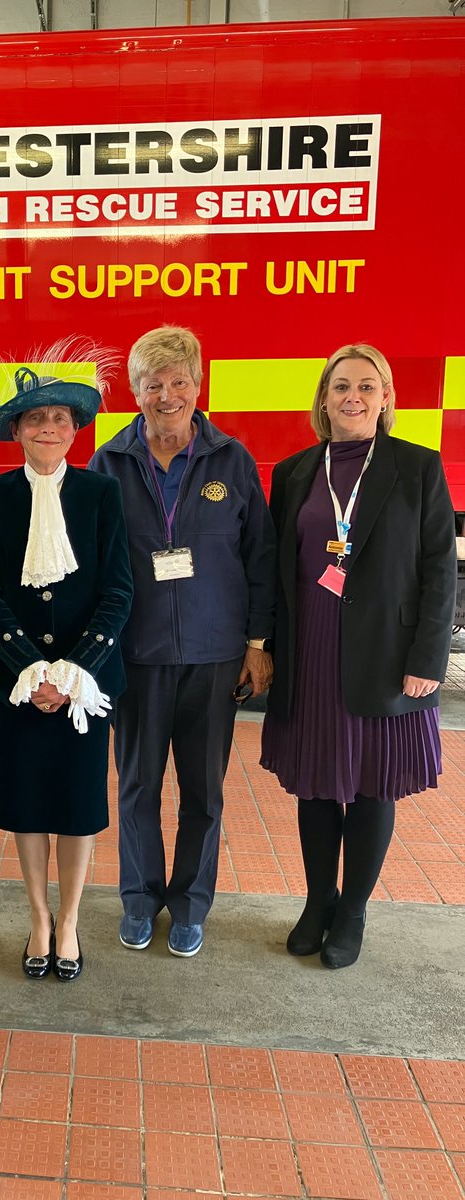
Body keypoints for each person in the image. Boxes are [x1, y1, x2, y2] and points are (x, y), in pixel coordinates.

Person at [261, 344, 456, 968]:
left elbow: (438, 571)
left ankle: (353, 911)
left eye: (367, 386)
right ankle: (318, 901)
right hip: (311, 650)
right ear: (323, 398)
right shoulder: (293, 471)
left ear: (386, 397)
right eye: (341, 384)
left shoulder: (418, 468)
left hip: (385, 655)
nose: (353, 395)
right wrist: (262, 644)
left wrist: (428, 657)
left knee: (372, 788)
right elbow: (274, 571)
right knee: (316, 788)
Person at [89, 325, 276, 958]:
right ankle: (139, 900)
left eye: (177, 381)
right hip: (135, 656)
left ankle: (191, 904)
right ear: (133, 392)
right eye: (151, 383)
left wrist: (257, 644)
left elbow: (261, 559)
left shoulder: (233, 461)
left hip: (213, 654)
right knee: (137, 786)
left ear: (197, 386)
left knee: (203, 790)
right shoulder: (108, 462)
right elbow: (89, 562)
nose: (165, 395)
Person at [0, 362, 133, 981]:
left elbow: (118, 590)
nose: (47, 427)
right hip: (19, 682)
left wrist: (71, 670)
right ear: (16, 429)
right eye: (35, 417)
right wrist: (29, 667)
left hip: (85, 683)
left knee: (77, 805)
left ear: (75, 430)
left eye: (58, 418)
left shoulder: (101, 493)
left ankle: (69, 921)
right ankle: (38, 917)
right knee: (29, 804)